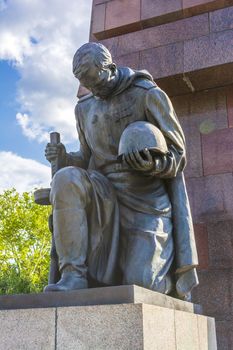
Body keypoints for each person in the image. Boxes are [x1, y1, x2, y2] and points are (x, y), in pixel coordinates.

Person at [44, 42, 198, 299]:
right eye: (88, 85)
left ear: (111, 68)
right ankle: (73, 275)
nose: (94, 90)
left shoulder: (146, 94)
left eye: (97, 81)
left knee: (141, 286)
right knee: (66, 177)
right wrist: (63, 158)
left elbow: (178, 154)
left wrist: (152, 164)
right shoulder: (84, 108)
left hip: (146, 198)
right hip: (103, 193)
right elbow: (86, 157)